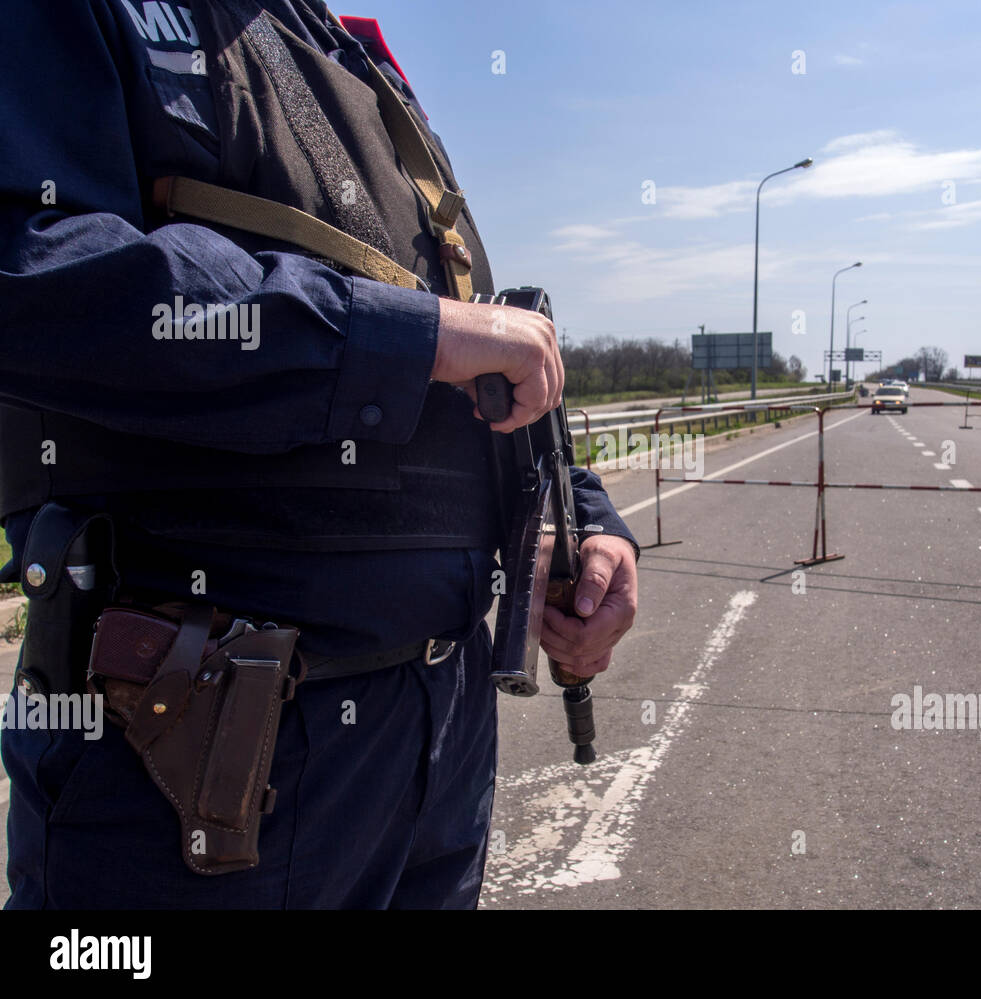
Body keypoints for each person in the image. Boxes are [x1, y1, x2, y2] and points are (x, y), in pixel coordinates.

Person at [0, 0, 638, 909]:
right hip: (196, 755)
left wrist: (590, 524)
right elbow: (32, 271)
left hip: (437, 740)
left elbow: (465, 343)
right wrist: (400, 340)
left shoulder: (350, 56)